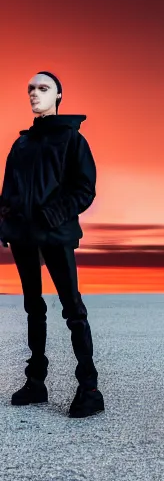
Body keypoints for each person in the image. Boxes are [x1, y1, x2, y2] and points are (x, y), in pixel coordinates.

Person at [0, 71, 104, 418]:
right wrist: (5, 221)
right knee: (33, 306)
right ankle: (36, 382)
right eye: (30, 88)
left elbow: (84, 188)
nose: (34, 93)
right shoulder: (21, 144)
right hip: (23, 236)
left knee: (72, 308)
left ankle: (89, 388)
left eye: (43, 88)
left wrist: (53, 214)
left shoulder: (72, 139)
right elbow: (7, 192)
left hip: (55, 233)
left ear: (58, 95)